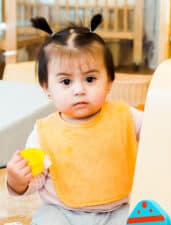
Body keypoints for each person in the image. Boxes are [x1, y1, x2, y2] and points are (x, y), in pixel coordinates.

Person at [5, 14, 143, 225]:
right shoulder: (44, 132)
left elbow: (159, 130)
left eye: (90, 79)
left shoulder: (126, 116)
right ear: (47, 89)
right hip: (62, 212)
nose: (79, 90)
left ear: (109, 82)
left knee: (142, 219)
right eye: (66, 81)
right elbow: (36, 180)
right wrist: (18, 180)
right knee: (45, 220)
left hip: (117, 211)